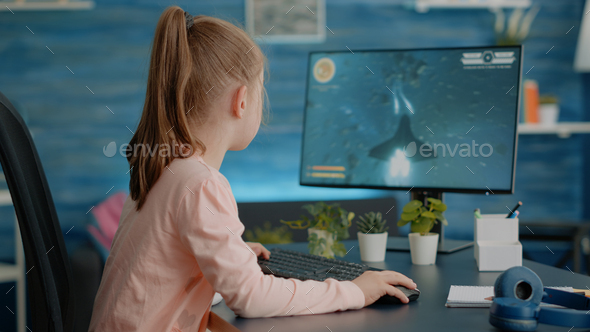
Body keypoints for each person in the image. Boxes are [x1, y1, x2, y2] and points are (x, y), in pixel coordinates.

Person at [88, 6, 417, 332]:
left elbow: (163, 260)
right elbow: (251, 297)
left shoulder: (160, 166)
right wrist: (355, 291)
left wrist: (230, 254)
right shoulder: (201, 184)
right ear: (241, 101)